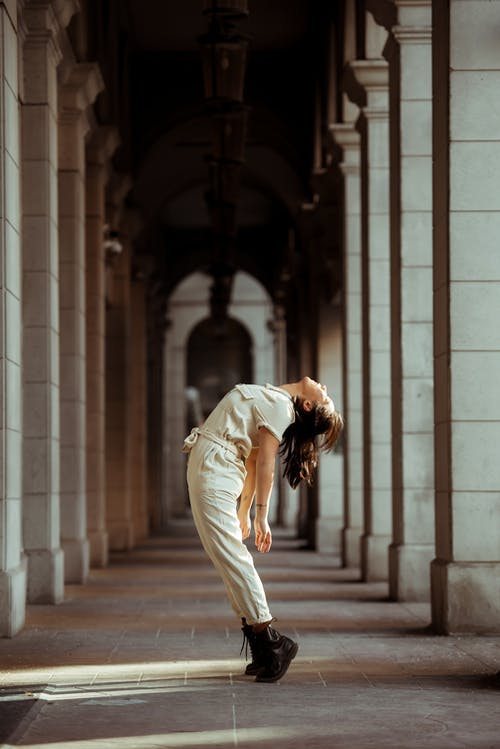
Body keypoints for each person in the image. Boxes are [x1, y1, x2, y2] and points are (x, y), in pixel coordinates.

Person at [182, 377, 344, 682]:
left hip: (215, 471)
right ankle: (260, 645)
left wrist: (260, 516)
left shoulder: (283, 408)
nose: (325, 386)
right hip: (212, 467)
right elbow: (254, 456)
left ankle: (273, 642)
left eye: (325, 395)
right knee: (226, 559)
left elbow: (267, 463)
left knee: (233, 559)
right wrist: (243, 510)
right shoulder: (273, 397)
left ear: (308, 405)